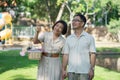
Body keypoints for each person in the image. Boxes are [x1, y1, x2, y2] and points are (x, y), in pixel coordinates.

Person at [62, 13, 96, 80]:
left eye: (76, 20)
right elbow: (65, 55)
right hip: (71, 72)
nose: (73, 22)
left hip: (85, 72)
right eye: (73, 20)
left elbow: (93, 54)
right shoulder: (68, 39)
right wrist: (64, 69)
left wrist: (92, 69)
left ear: (82, 23)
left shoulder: (90, 38)